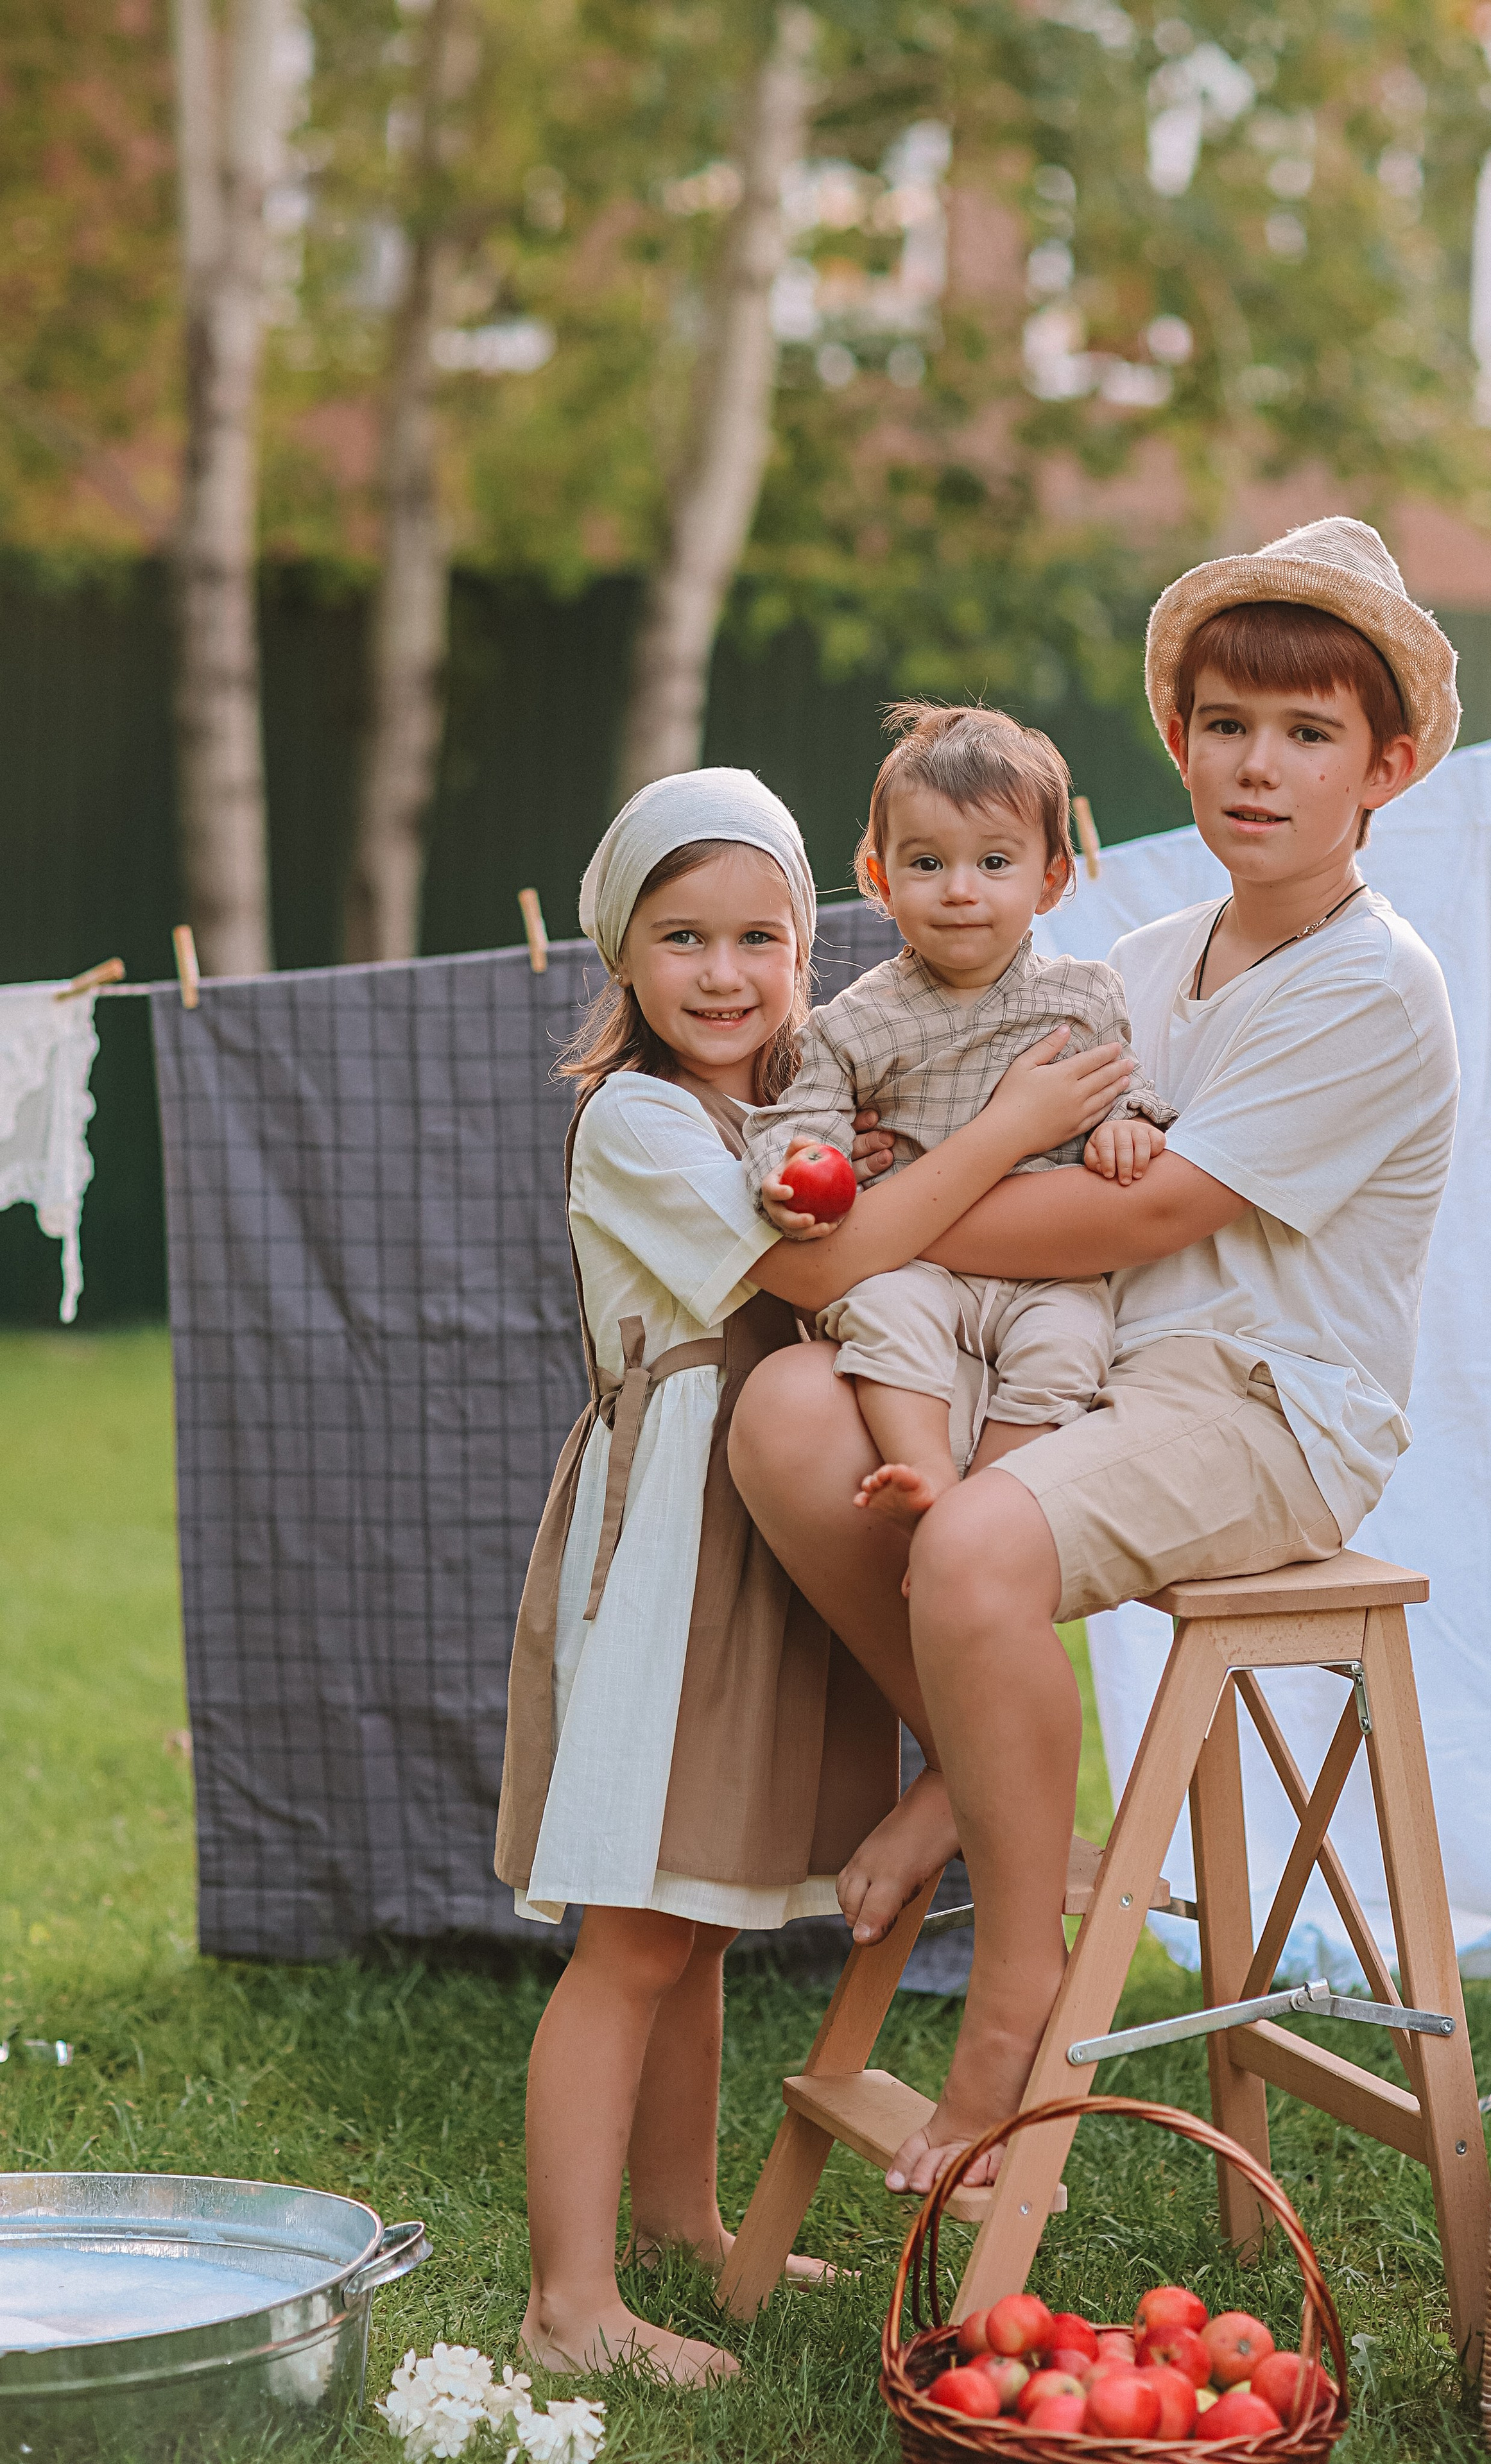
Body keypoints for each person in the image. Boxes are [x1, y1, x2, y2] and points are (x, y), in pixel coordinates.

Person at [728, 516, 1463, 2195]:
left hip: (1270, 1406)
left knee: (975, 1534)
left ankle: (1013, 1992)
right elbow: (962, 1154)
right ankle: (989, 1815)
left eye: (1306, 734)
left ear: (1388, 767)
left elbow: (1131, 1222)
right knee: (781, 1410)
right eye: (1223, 726)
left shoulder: (1371, 985)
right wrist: (897, 1195)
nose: (1254, 767)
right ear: (1179, 741)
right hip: (1086, 1373)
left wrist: (904, 1209)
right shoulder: (1128, 969)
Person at [492, 766, 1132, 2381]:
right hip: (666, 1561)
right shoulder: (638, 1119)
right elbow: (829, 1262)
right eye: (681, 937)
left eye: (758, 937)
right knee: (631, 1931)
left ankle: (679, 2226)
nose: (722, 973)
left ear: (804, 940)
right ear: (620, 957)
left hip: (754, 1546)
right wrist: (1003, 1129)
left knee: (693, 1922)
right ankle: (568, 2304)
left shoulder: (800, 1111)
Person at [743, 703, 1175, 1527]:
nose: (961, 889)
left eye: (995, 861)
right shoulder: (853, 1023)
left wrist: (1130, 1124)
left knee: (1072, 1344)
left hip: (1044, 1269)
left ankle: (989, 1512)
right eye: (929, 862)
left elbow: (1124, 1088)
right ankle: (927, 1472)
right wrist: (792, 1179)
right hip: (912, 1265)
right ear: (880, 879)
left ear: (1050, 880)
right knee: (884, 1317)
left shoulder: (1082, 998)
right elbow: (805, 1122)